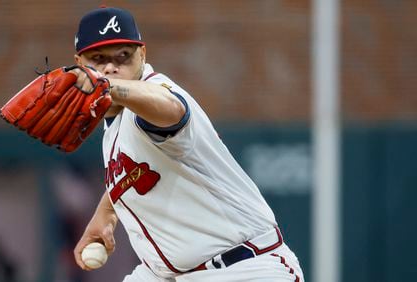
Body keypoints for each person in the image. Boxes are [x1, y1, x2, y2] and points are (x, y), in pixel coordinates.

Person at [71, 6, 304, 282]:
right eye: (98, 59)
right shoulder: (116, 117)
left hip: (244, 268)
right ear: (79, 63)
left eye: (123, 56)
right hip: (169, 274)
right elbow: (139, 169)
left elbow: (170, 109)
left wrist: (107, 85)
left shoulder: (154, 95)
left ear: (142, 55)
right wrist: (106, 214)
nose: (111, 67)